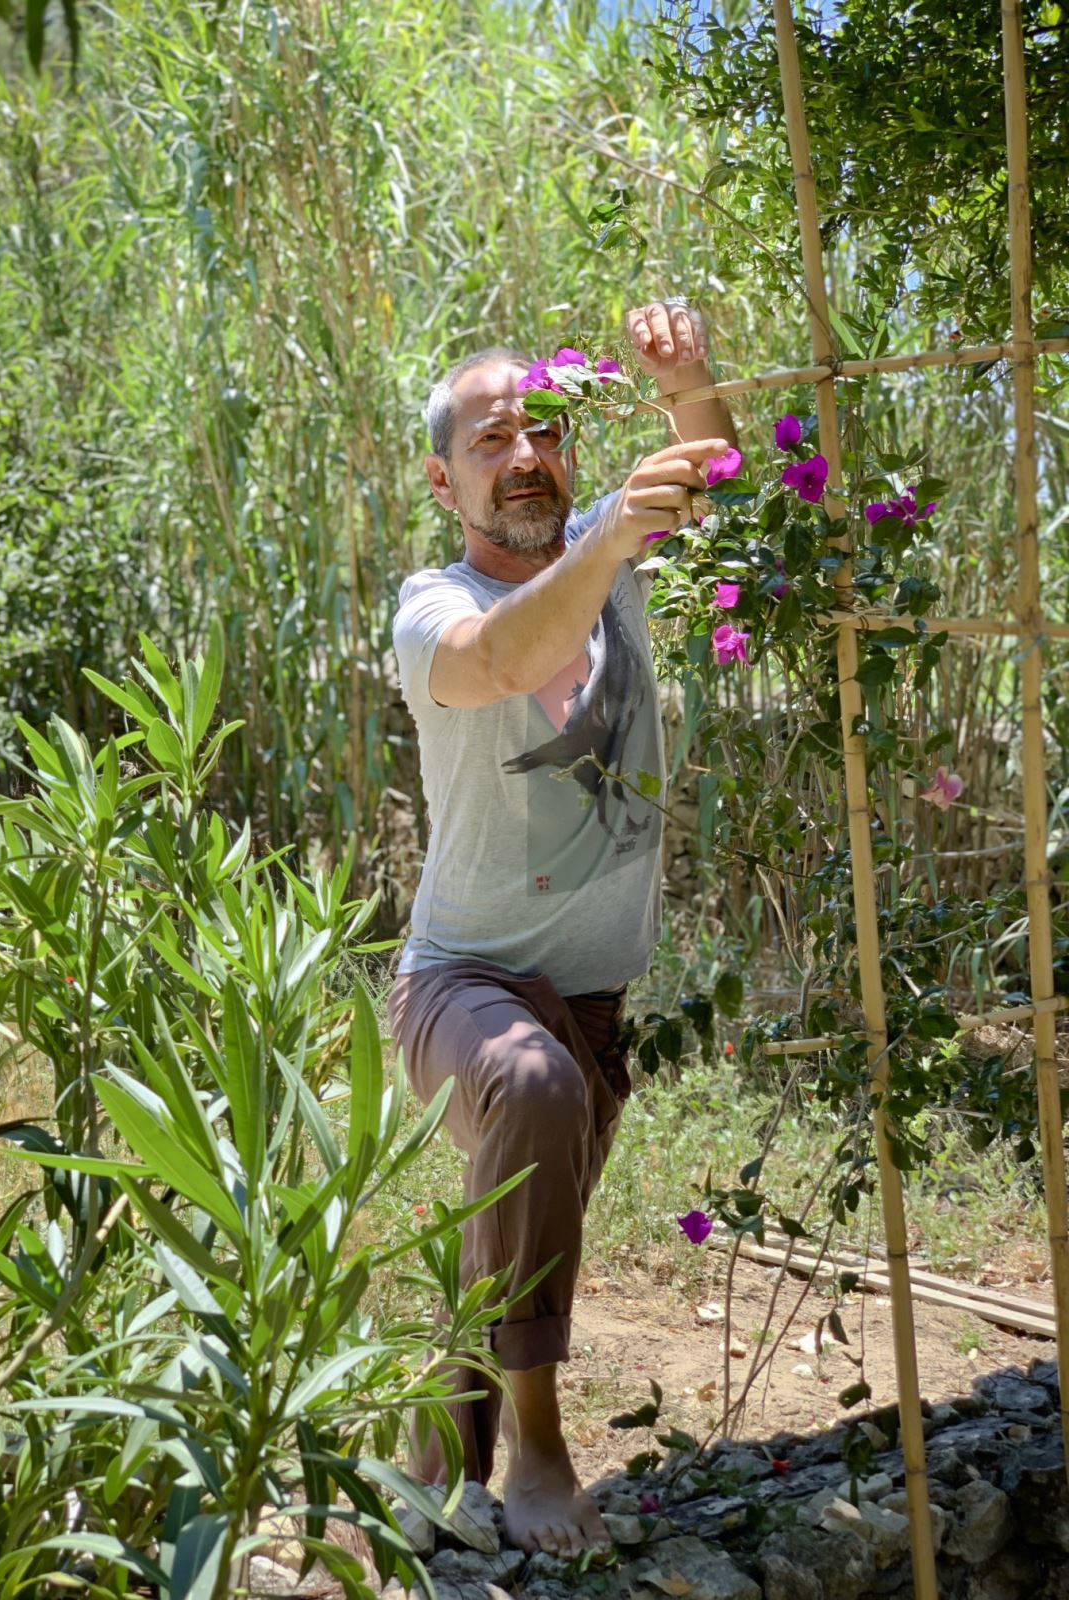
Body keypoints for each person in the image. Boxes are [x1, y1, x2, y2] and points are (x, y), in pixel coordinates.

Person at [387, 301, 738, 1559]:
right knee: (531, 1091)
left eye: (544, 431)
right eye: (492, 439)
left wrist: (685, 378)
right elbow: (499, 657)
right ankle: (537, 1451)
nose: (526, 453)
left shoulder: (609, 553)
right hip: (459, 982)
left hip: (593, 996)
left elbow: (713, 473)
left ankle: (427, 1473)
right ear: (446, 481)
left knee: (515, 1235)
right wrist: (612, 540)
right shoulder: (432, 605)